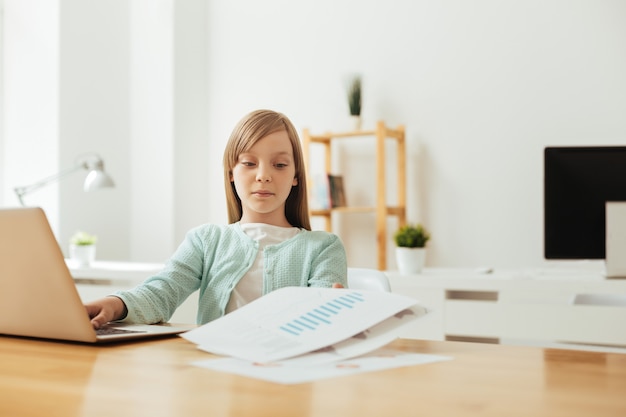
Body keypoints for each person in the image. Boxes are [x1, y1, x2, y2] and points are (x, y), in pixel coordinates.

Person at [86, 109, 348, 329]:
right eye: (249, 163)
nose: (263, 175)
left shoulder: (323, 247)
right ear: (231, 172)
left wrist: (334, 311)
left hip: (285, 377)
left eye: (279, 165)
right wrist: (115, 304)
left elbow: (323, 320)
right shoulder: (206, 240)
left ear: (295, 177)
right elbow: (162, 292)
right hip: (215, 377)